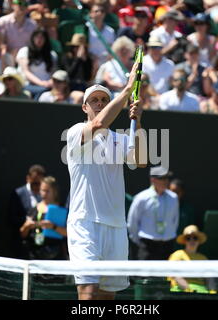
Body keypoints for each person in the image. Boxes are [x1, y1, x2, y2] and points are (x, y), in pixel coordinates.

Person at [66, 61, 146, 300]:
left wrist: (139, 123)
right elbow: (99, 123)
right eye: (95, 100)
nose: (99, 103)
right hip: (84, 224)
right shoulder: (75, 132)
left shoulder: (119, 139)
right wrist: (127, 88)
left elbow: (140, 161)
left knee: (107, 297)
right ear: (84, 107)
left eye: (103, 100)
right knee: (88, 294)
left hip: (116, 227)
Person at [127, 167, 179, 260]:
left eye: (167, 178)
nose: (166, 181)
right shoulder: (141, 197)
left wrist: (169, 235)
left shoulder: (173, 197)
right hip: (147, 245)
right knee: (146, 274)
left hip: (168, 244)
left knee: (166, 273)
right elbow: (132, 222)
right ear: (153, 180)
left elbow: (175, 221)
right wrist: (140, 242)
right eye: (162, 178)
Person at [19, 176, 68, 260]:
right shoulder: (34, 209)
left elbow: (68, 233)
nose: (44, 194)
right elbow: (22, 234)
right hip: (34, 254)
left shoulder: (62, 210)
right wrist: (27, 226)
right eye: (42, 190)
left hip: (54, 255)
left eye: (47, 191)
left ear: (54, 192)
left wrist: (53, 226)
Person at [8, 164, 46, 258]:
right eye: (35, 183)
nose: (37, 187)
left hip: (40, 244)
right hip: (22, 243)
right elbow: (11, 217)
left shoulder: (44, 194)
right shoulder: (18, 194)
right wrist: (27, 222)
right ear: (28, 179)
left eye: (40, 184)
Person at [168, 225, 216, 293]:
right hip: (179, 291)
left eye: (195, 238)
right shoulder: (177, 255)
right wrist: (188, 290)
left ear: (198, 241)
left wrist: (212, 291)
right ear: (185, 241)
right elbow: (175, 275)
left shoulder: (203, 258)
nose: (192, 240)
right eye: (188, 238)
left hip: (201, 291)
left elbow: (209, 278)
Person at [16, 28, 58, 100]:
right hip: (28, 85)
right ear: (33, 38)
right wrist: (41, 83)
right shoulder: (24, 51)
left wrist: (50, 82)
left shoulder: (52, 55)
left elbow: (53, 73)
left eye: (42, 37)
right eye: (37, 37)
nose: (39, 39)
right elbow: (26, 72)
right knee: (42, 92)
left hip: (47, 86)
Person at [87, 1, 116, 68]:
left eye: (102, 11)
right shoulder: (86, 29)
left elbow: (111, 49)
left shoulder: (110, 31)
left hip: (105, 64)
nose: (100, 13)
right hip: (89, 63)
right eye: (96, 11)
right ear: (90, 14)